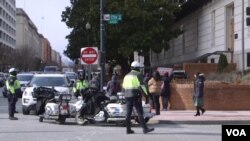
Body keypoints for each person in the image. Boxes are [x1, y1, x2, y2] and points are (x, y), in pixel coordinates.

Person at [122, 61, 154, 134]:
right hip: (135, 95)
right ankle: (145, 129)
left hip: (127, 96)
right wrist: (146, 96)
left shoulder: (126, 75)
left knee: (128, 113)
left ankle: (128, 130)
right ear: (137, 68)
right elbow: (142, 86)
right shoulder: (138, 74)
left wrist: (125, 95)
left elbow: (123, 87)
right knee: (140, 112)